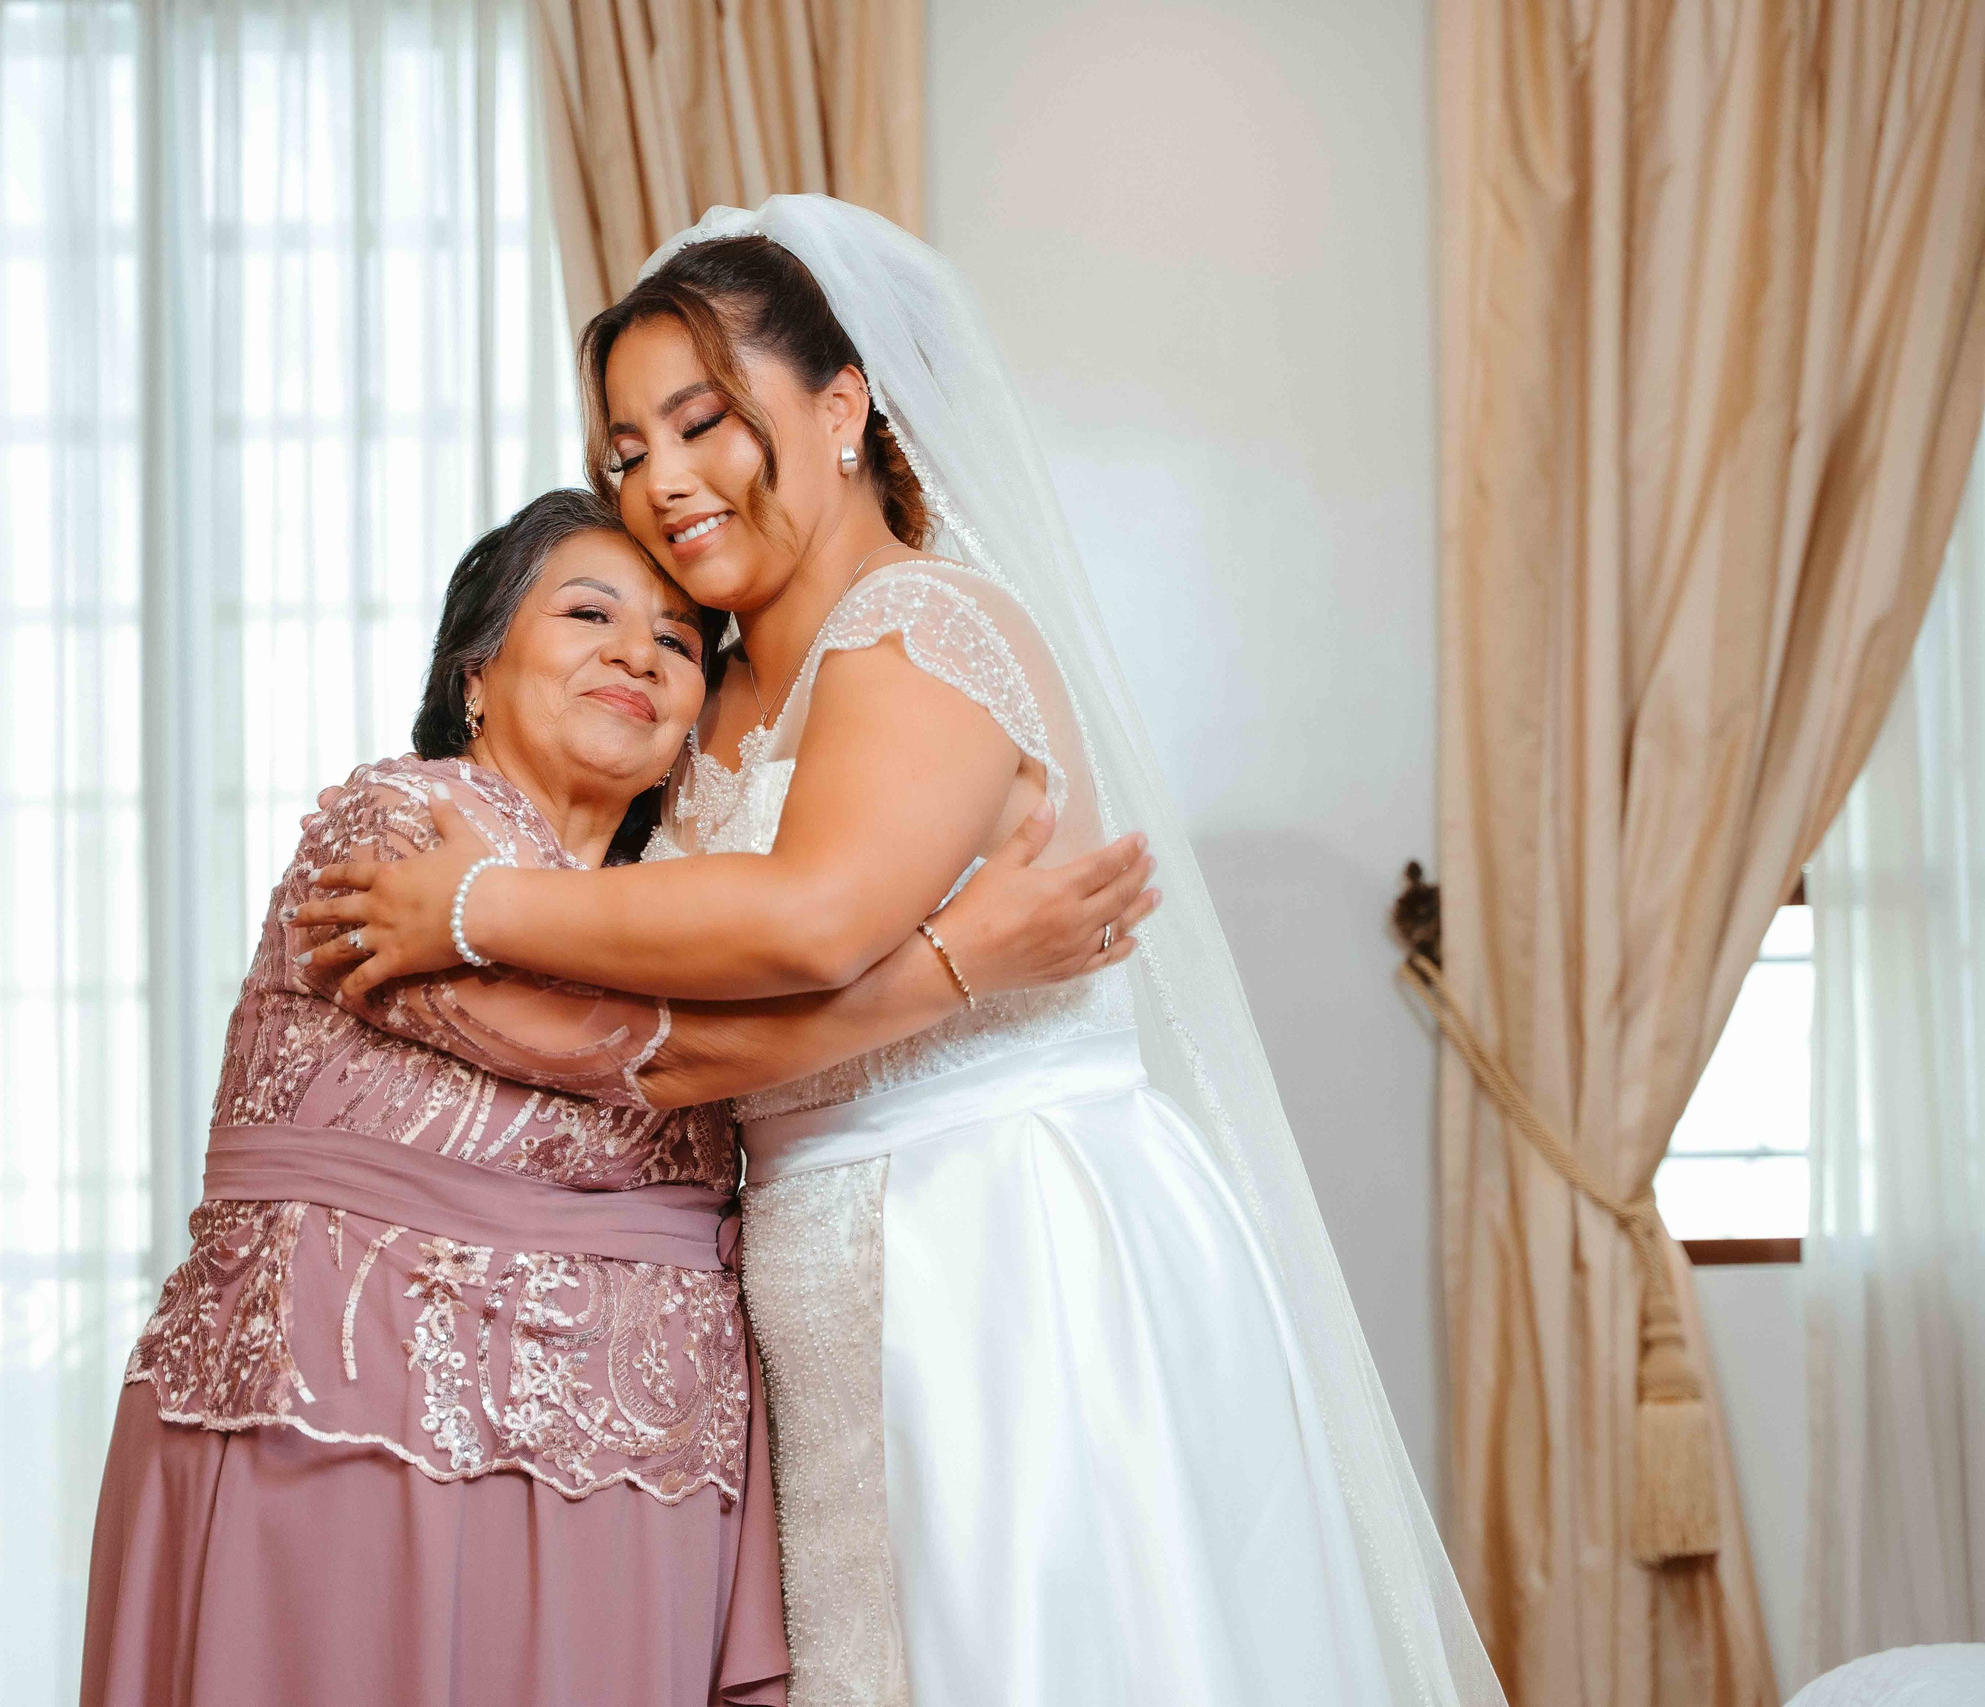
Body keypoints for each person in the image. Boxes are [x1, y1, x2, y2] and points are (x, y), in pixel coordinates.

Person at [298, 199, 1509, 1706]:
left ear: (842, 405)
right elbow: (674, 1054)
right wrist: (952, 962)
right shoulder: (700, 694)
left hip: (1008, 1248)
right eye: (626, 451)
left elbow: (804, 922)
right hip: (808, 1271)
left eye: (701, 422)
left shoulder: (923, 626)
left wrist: (472, 912)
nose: (662, 481)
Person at [79, 486, 1157, 1707]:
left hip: (645, 1472)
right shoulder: (395, 833)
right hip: (358, 1424)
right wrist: (967, 961)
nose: (638, 653)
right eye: (589, 611)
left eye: (679, 642)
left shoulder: (677, 908)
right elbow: (647, 1057)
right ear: (475, 671)